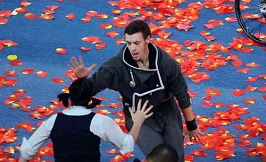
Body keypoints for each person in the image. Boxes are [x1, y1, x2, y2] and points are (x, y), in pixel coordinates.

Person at [69, 20, 203, 161]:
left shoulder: (167, 64)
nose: (132, 48)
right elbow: (89, 88)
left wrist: (191, 124)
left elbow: (182, 94)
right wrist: (82, 81)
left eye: (136, 43)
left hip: (167, 110)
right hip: (139, 117)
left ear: (148, 40)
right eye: (128, 43)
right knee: (159, 157)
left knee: (176, 156)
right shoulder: (115, 67)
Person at [18, 77, 153, 162]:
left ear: (69, 99)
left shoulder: (53, 121)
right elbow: (126, 145)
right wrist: (138, 122)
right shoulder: (100, 121)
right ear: (90, 100)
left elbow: (27, 153)